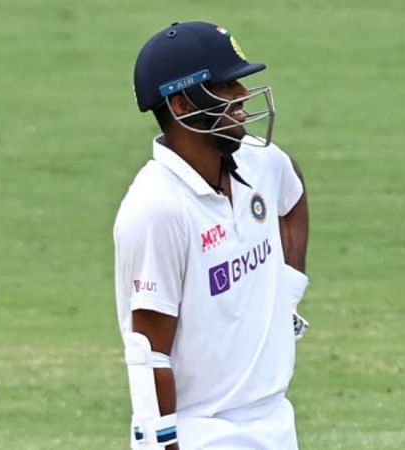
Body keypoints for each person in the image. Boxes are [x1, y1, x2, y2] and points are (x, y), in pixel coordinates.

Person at [114, 21, 309, 449]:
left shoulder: (260, 161)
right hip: (202, 430)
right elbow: (148, 354)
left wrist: (288, 292)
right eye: (225, 87)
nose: (241, 97)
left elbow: (292, 194)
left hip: (275, 418)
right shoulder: (156, 209)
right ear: (181, 104)